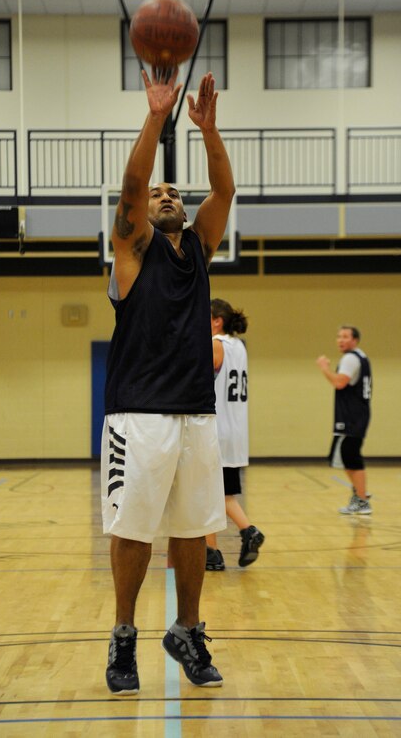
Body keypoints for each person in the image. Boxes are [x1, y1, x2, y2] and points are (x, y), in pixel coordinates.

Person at [101, 66, 235, 695]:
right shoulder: (131, 250)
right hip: (139, 413)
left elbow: (226, 191)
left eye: (173, 192)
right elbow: (130, 186)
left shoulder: (199, 251)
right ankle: (124, 637)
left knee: (192, 528)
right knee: (133, 532)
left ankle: (186, 629)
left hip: (197, 414)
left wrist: (208, 130)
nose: (166, 195)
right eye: (158, 193)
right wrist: (156, 117)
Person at [205, 299, 265, 571]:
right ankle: (213, 551)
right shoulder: (238, 346)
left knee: (209, 492)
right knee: (218, 493)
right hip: (235, 430)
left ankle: (245, 532)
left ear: (217, 321)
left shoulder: (216, 346)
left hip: (217, 430)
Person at [316, 325, 372, 515]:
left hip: (350, 417)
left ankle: (362, 499)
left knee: (350, 457)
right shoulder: (361, 357)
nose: (340, 340)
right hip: (357, 415)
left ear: (355, 340)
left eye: (345, 336)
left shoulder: (350, 358)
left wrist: (324, 368)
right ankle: (361, 493)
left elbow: (340, 382)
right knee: (346, 457)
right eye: (338, 336)